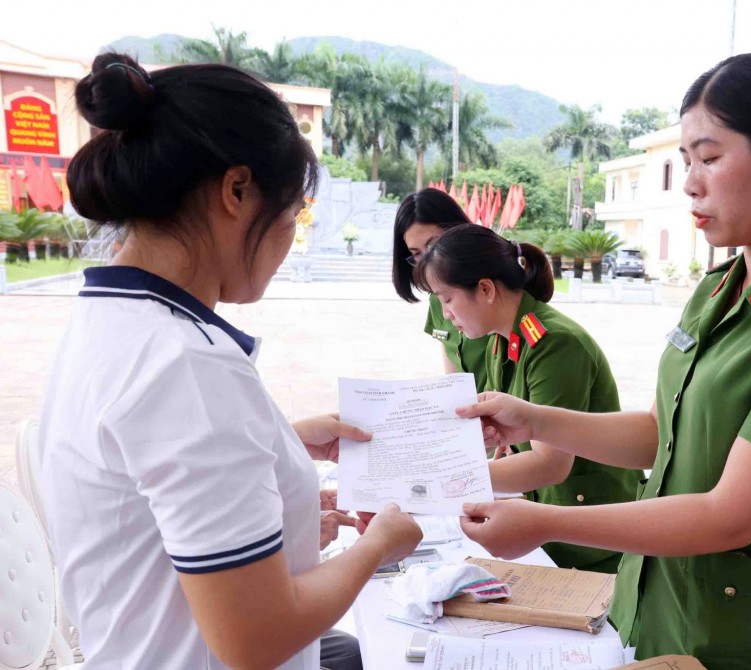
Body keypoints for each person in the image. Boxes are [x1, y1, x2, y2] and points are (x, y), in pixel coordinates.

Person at [455, 53, 751, 670]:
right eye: (687, 162)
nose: (690, 182)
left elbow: (729, 517)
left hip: (734, 642)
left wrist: (544, 521)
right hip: (652, 610)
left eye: (710, 158)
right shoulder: (717, 289)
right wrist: (533, 419)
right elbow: (660, 434)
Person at [38, 53, 422, 669]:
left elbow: (144, 466)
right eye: (293, 213)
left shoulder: (111, 319)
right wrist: (379, 544)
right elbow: (257, 639)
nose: (290, 237)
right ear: (237, 190)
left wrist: (281, 444)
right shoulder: (185, 365)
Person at [412, 224, 643, 573]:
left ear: (486, 289)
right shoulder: (501, 338)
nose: (444, 314)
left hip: (591, 542)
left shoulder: (555, 344)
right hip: (546, 529)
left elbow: (551, 463)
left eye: (446, 299)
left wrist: (439, 482)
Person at [393, 189, 490, 392]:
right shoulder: (437, 300)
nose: (427, 263)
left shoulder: (490, 292)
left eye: (433, 247)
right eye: (417, 254)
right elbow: (452, 369)